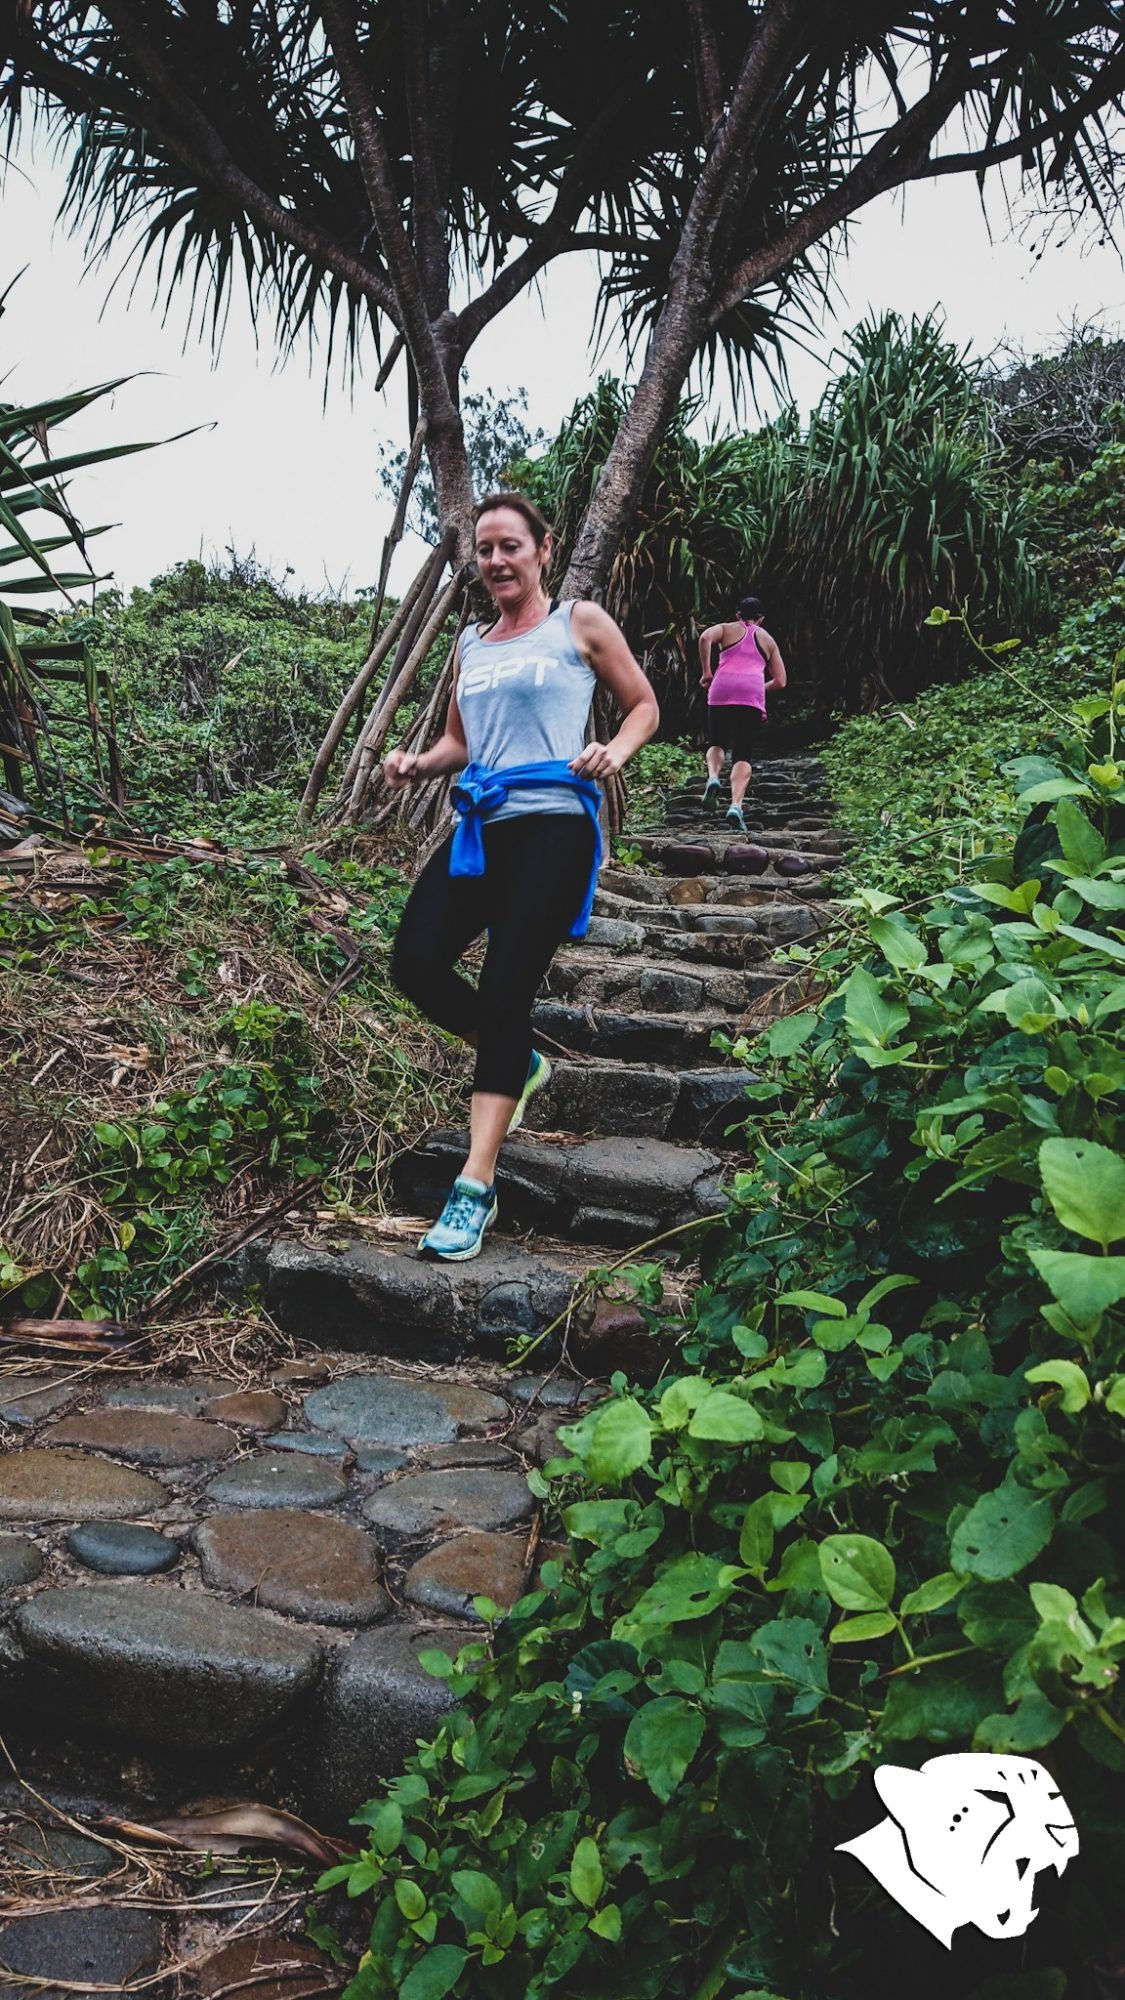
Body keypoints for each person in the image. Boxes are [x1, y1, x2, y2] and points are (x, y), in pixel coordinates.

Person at [384, 491, 660, 1261]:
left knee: (507, 990)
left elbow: (642, 706)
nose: (497, 560)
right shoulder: (471, 644)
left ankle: (474, 1186)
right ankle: (517, 1058)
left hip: (553, 827)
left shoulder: (579, 621)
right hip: (481, 825)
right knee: (414, 961)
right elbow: (457, 744)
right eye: (486, 549)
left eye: (511, 545)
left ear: (542, 549)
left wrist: (615, 752)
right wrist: (416, 763)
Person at [697, 594, 787, 834]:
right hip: (750, 697)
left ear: (738, 614)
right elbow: (780, 681)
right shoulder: (767, 639)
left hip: (721, 689)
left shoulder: (726, 629)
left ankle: (714, 777)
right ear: (761, 619)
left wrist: (707, 672)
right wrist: (757, 688)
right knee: (743, 754)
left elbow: (705, 637)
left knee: (717, 742)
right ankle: (736, 806)